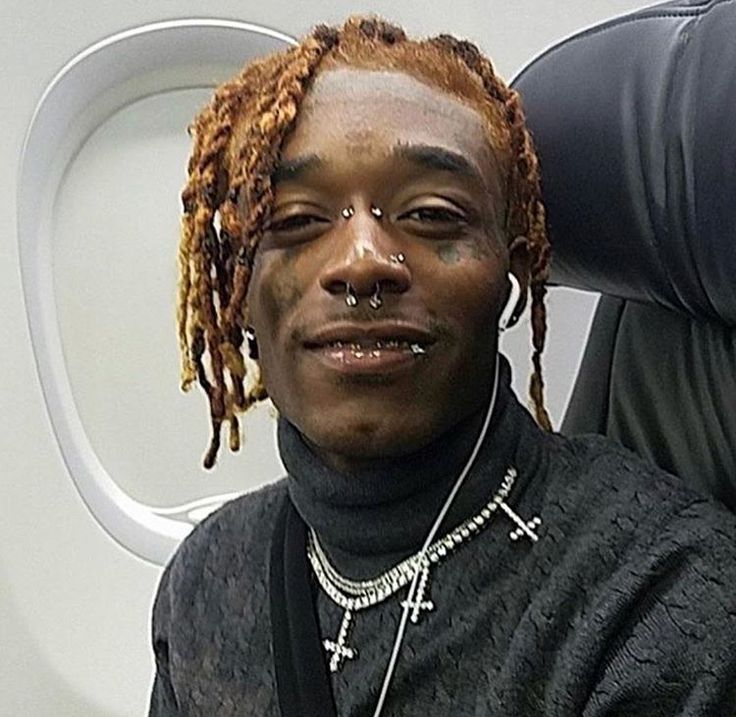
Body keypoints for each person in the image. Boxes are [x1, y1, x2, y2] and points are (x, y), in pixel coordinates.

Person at [149, 16, 736, 717]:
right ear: (236, 285)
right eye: (296, 221)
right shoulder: (205, 581)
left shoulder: (660, 596)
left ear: (514, 264)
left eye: (429, 214)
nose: (361, 260)